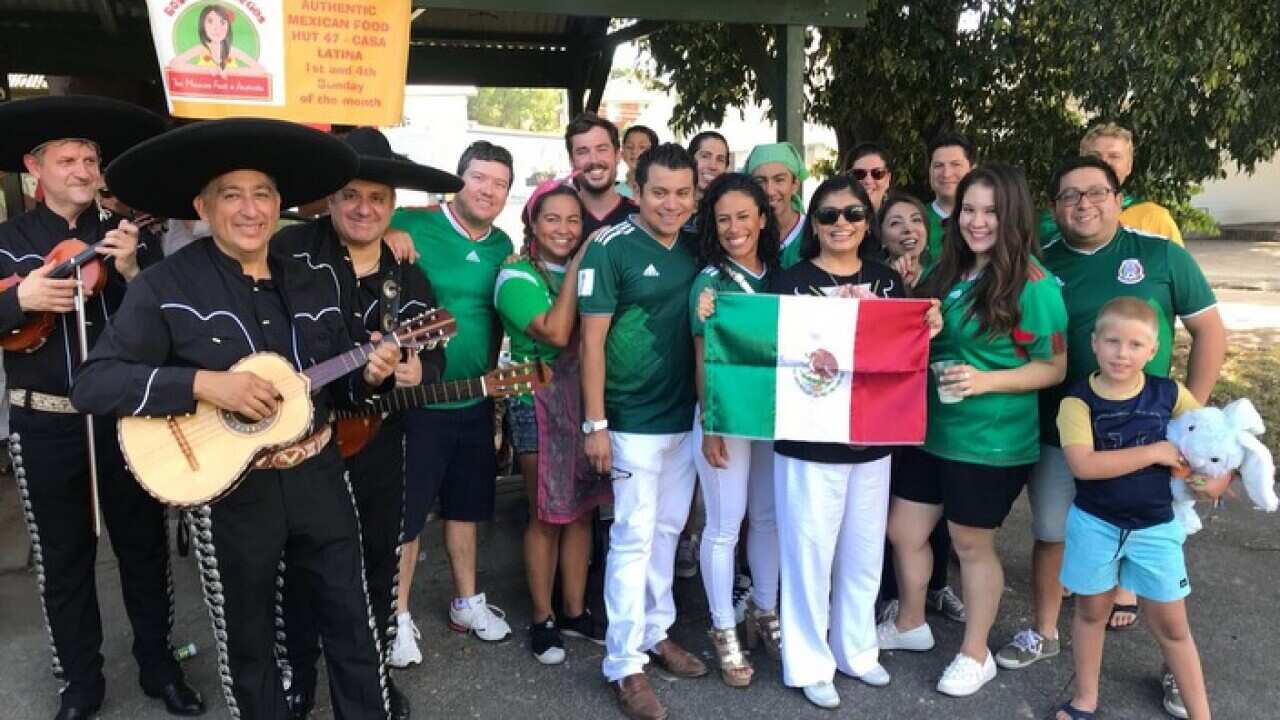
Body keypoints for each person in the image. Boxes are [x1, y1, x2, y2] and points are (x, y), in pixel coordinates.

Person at [73, 117, 402, 720]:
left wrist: (372, 373)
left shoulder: (315, 275)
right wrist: (203, 383)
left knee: (354, 627)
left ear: (280, 204)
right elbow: (94, 383)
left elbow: (341, 384)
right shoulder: (166, 286)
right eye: (232, 194)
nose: (250, 210)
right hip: (232, 494)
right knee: (250, 646)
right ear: (202, 205)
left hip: (319, 475)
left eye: (263, 194)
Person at [0, 95, 206, 720]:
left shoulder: (125, 237)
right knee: (64, 558)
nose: (84, 170)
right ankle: (80, 683)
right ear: (36, 169)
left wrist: (132, 271)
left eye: (90, 159)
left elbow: (173, 324)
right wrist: (19, 301)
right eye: (68, 159)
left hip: (123, 421)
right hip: (44, 420)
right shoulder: (8, 241)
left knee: (142, 549)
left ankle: (158, 666)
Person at [997, 155, 1224, 720]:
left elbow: (1209, 330)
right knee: (1053, 532)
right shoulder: (1038, 265)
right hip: (1064, 425)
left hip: (1151, 428)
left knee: (1159, 558)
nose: (1083, 203)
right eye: (1070, 195)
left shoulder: (1160, 254)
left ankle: (1176, 673)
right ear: (1055, 207)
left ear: (1118, 197)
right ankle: (1045, 631)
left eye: (1096, 192)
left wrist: (1189, 427)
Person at [273, 127, 456, 720]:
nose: (363, 208)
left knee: (377, 561)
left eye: (377, 198)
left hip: (379, 437)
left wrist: (415, 370)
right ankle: (297, 676)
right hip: (300, 439)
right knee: (299, 565)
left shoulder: (407, 272)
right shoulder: (290, 255)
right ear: (330, 197)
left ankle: (373, 675)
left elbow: (436, 351)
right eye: (351, 194)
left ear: (392, 205)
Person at [879, 164, 1068, 698]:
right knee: (905, 531)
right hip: (929, 429)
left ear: (1011, 217)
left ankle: (975, 652)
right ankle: (911, 623)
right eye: (968, 210)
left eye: (990, 211)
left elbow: (1052, 367)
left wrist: (986, 381)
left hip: (991, 439)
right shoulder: (946, 270)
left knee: (969, 544)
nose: (978, 221)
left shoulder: (1033, 284)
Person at [765, 176, 940, 709]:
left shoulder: (888, 281)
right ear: (812, 222)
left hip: (873, 438)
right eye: (828, 215)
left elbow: (907, 351)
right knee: (809, 554)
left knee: (864, 552)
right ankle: (809, 661)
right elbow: (757, 344)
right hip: (809, 441)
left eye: (853, 214)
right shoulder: (787, 280)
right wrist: (713, 312)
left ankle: (857, 651)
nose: (841, 224)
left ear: (868, 222)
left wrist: (926, 322)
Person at [578, 144, 704, 720]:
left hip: (685, 419)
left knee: (669, 530)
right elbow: (591, 342)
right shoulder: (608, 248)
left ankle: (657, 632)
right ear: (637, 187)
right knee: (632, 538)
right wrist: (596, 423)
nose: (671, 204)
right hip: (629, 423)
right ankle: (624, 663)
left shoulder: (697, 244)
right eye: (659, 192)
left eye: (683, 193)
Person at [1052, 297, 1210, 720]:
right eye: (1113, 341)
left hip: (1156, 529)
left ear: (1154, 350)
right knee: (1090, 613)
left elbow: (1206, 442)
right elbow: (1084, 466)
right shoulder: (1077, 402)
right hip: (1095, 525)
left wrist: (1212, 476)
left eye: (1136, 345)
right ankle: (1085, 698)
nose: (1123, 353)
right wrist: (1155, 451)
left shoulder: (1170, 394)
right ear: (1095, 342)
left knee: (1175, 628)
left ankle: (1202, 714)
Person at [389, 141, 517, 661]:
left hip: (474, 397)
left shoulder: (503, 243)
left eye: (500, 183)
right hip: (416, 401)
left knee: (467, 506)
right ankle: (395, 616)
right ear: (457, 180)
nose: (488, 190)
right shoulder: (410, 221)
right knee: (408, 515)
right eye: (479, 178)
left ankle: (467, 601)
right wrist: (389, 231)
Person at [494, 178, 610, 665]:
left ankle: (574, 611)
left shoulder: (586, 268)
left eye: (573, 219)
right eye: (552, 219)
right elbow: (559, 331)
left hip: (582, 399)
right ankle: (542, 618)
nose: (564, 228)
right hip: (536, 400)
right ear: (532, 225)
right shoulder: (515, 277)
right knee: (546, 512)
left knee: (581, 508)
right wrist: (581, 265)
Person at [687, 173, 781, 687]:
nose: (734, 227)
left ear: (763, 219)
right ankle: (724, 628)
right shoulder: (710, 281)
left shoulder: (780, 274)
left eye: (744, 216)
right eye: (723, 219)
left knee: (768, 518)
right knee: (725, 525)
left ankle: (764, 611)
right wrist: (711, 424)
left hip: (773, 417)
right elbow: (702, 357)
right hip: (724, 416)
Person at [873, 191, 965, 626]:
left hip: (934, 405)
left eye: (915, 221)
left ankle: (938, 587)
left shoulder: (949, 277)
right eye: (895, 222)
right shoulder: (874, 278)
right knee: (896, 501)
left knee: (937, 501)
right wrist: (899, 292)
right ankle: (893, 592)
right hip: (888, 407)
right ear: (881, 234)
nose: (907, 229)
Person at [1039, 123, 1184, 246]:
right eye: (1095, 156)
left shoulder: (1153, 217)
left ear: (1129, 166)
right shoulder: (1053, 220)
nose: (1104, 163)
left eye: (1114, 156)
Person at [566, 113, 638, 238]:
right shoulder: (558, 220)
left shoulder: (640, 216)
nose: (594, 160)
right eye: (582, 152)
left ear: (617, 155)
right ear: (571, 161)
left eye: (602, 149)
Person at [745, 142, 808, 269]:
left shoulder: (813, 231)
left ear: (795, 184)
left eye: (779, 180)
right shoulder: (744, 234)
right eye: (760, 181)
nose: (769, 191)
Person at [168, 4, 268, 77]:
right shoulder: (201, 49)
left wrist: (230, 71)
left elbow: (260, 69)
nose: (216, 28)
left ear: (228, 27)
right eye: (210, 22)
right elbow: (174, 64)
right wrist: (206, 70)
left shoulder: (231, 51)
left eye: (222, 22)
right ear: (202, 26)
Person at [924, 133, 977, 265]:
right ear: (929, 171)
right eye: (938, 165)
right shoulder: (915, 219)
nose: (946, 174)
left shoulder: (991, 220)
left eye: (956, 164)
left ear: (973, 170)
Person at [688, 130, 731, 206]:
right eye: (705, 156)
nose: (713, 166)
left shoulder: (728, 210)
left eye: (720, 160)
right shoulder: (672, 206)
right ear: (689, 159)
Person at [848, 142, 894, 212]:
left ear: (888, 179)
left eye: (877, 173)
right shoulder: (833, 220)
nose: (868, 181)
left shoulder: (900, 218)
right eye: (859, 173)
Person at [618, 125, 658, 199]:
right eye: (629, 147)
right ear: (622, 152)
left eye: (642, 147)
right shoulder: (614, 193)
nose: (634, 151)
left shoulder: (661, 190)